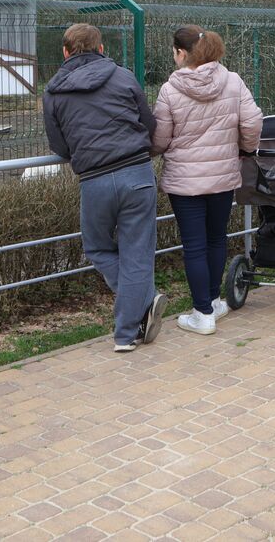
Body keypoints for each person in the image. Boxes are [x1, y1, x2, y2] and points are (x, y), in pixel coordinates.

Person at [42, 23, 167, 353]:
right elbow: (149, 124)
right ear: (100, 49)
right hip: (137, 174)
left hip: (94, 180)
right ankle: (129, 328)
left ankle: (137, 311)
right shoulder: (123, 76)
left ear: (66, 52)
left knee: (96, 249)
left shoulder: (53, 92)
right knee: (137, 254)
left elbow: (59, 145)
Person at [152, 26, 263, 336]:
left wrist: (161, 149)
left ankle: (202, 314)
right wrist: (245, 148)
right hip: (224, 176)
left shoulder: (169, 91)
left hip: (185, 181)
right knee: (216, 238)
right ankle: (213, 303)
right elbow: (253, 120)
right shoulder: (233, 81)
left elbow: (160, 139)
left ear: (181, 53)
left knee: (194, 246)